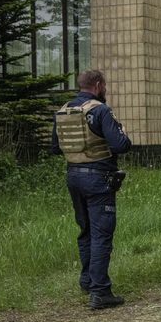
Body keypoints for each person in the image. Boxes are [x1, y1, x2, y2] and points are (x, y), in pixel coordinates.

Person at [51, 69, 133, 309]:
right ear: (98, 85)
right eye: (104, 86)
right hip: (98, 178)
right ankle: (100, 291)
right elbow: (120, 146)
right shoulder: (100, 110)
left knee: (85, 230)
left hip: (73, 176)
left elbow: (56, 147)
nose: (105, 90)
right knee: (101, 233)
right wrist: (123, 135)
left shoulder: (63, 111)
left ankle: (87, 280)